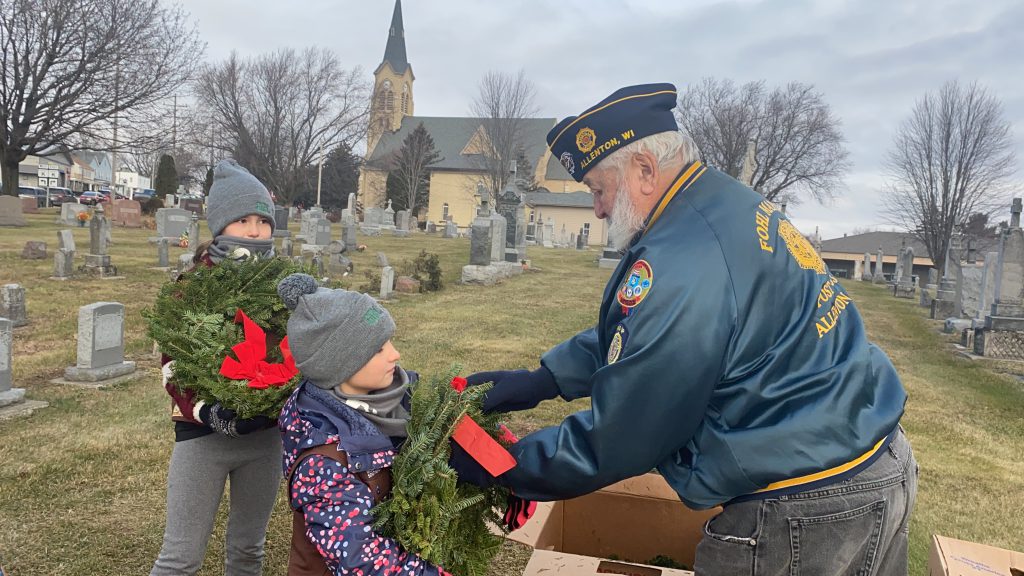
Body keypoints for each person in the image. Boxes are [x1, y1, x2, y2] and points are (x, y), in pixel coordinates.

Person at [449, 83, 918, 576]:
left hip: (805, 505)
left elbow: (626, 434)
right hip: (874, 455)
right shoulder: (717, 203)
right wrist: (545, 378)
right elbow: (648, 333)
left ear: (645, 171)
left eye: (598, 189)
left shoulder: (684, 260)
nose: (599, 209)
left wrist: (508, 465)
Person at [151, 159, 282, 576]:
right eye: (242, 219)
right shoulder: (190, 288)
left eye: (263, 220)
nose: (255, 230)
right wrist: (210, 411)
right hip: (202, 438)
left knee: (248, 550)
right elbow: (174, 366)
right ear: (220, 224)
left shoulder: (284, 284)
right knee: (180, 558)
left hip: (265, 437)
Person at [273, 273, 450, 576]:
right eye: (378, 349)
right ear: (340, 365)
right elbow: (359, 558)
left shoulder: (387, 400)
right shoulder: (323, 461)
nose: (395, 354)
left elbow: (449, 400)